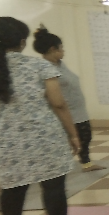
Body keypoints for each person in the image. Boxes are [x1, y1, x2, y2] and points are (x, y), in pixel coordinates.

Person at [0, 17, 90, 215]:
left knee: (12, 188)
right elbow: (58, 104)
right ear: (22, 41)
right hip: (45, 137)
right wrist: (73, 134)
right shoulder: (39, 66)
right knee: (53, 187)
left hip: (5, 141)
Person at [33, 26, 104, 172]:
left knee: (85, 137)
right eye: (61, 48)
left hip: (78, 111)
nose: (63, 51)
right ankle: (56, 168)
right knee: (72, 140)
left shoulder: (60, 64)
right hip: (67, 112)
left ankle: (86, 164)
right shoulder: (45, 68)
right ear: (53, 49)